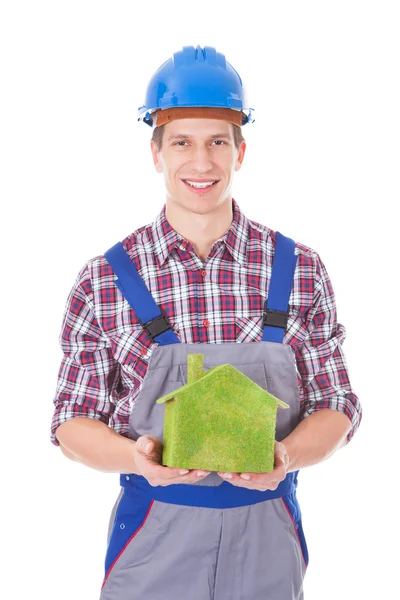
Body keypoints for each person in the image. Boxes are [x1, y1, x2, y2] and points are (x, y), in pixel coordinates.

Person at [50, 45, 362, 599]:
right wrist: (137, 459)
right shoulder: (105, 279)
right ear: (156, 154)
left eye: (218, 141)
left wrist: (285, 456)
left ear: (241, 151)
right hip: (154, 535)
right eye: (182, 143)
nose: (201, 163)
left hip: (267, 535)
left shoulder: (300, 269)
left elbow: (338, 407)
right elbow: (71, 425)